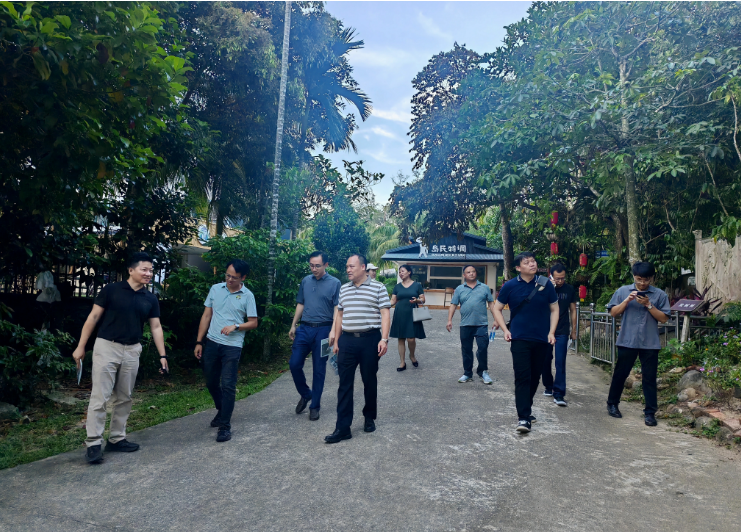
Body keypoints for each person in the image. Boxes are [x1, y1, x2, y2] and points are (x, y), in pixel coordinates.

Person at [72, 252, 168, 464]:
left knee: (125, 397)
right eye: (144, 269)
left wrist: (163, 355)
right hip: (107, 346)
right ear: (131, 270)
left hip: (132, 350)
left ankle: (116, 438)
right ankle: (94, 443)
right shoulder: (111, 290)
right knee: (100, 397)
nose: (149, 274)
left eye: (151, 270)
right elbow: (93, 317)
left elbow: (156, 327)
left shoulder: (150, 298)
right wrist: (81, 347)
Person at [324, 254, 391, 444]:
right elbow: (339, 315)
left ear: (363, 267)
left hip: (370, 339)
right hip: (347, 340)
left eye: (351, 266)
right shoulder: (344, 289)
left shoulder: (378, 287)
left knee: (369, 380)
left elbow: (385, 314)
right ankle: (342, 428)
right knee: (344, 383)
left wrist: (384, 339)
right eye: (347, 266)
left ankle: (369, 417)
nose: (348, 270)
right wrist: (337, 340)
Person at [493, 252, 559, 433]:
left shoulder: (546, 284)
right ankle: (523, 417)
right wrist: (505, 330)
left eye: (533, 261)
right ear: (518, 268)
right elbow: (497, 308)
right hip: (519, 338)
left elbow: (555, 309)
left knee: (535, 377)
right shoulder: (510, 286)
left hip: (541, 338)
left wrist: (551, 332)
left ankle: (526, 408)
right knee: (522, 377)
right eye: (527, 262)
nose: (532, 264)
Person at [194, 259, 258, 442]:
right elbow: (207, 315)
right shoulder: (216, 289)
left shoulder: (248, 296)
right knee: (211, 382)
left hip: (233, 345)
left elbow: (253, 323)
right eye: (227, 275)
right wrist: (199, 341)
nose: (229, 279)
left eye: (234, 277)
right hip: (212, 342)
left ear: (243, 277)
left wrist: (236, 326)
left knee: (228, 385)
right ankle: (222, 410)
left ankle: (224, 426)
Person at [605, 261, 670, 427]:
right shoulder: (623, 291)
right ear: (634, 276)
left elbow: (663, 318)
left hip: (650, 342)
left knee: (649, 378)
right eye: (639, 279)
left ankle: (650, 413)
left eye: (646, 279)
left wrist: (648, 304)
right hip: (627, 340)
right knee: (620, 374)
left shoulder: (660, 295)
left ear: (652, 278)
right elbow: (613, 313)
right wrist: (627, 301)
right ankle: (612, 404)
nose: (642, 283)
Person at [288, 251, 341, 421]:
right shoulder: (306, 280)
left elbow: (337, 308)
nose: (314, 268)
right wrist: (293, 324)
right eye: (311, 265)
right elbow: (301, 303)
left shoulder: (335, 283)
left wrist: (333, 330)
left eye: (317, 265)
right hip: (304, 329)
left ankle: (315, 406)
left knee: (319, 369)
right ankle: (306, 394)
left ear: (326, 265)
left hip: (324, 330)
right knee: (294, 363)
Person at [446, 265, 496, 385]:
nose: (471, 273)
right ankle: (467, 373)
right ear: (464, 275)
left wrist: (496, 319)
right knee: (466, 349)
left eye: (473, 271)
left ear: (476, 273)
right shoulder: (459, 289)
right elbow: (453, 305)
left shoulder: (484, 288)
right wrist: (449, 320)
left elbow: (491, 304)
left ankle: (483, 371)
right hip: (465, 324)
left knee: (483, 348)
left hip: (481, 324)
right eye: (468, 272)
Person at [542, 263, 578, 406]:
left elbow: (573, 310)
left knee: (560, 362)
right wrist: (549, 288)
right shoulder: (544, 287)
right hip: (545, 330)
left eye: (562, 278)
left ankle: (559, 393)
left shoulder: (569, 289)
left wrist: (574, 330)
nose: (560, 281)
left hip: (562, 330)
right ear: (551, 276)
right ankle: (548, 385)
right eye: (557, 278)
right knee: (545, 360)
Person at [389, 264, 426, 371]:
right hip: (400, 313)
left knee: (411, 339)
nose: (400, 273)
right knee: (401, 338)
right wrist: (384, 306)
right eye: (399, 272)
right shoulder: (397, 287)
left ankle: (412, 355)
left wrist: (417, 300)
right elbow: (393, 300)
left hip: (412, 313)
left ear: (409, 272)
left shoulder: (417, 285)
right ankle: (402, 362)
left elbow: (423, 299)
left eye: (402, 271)